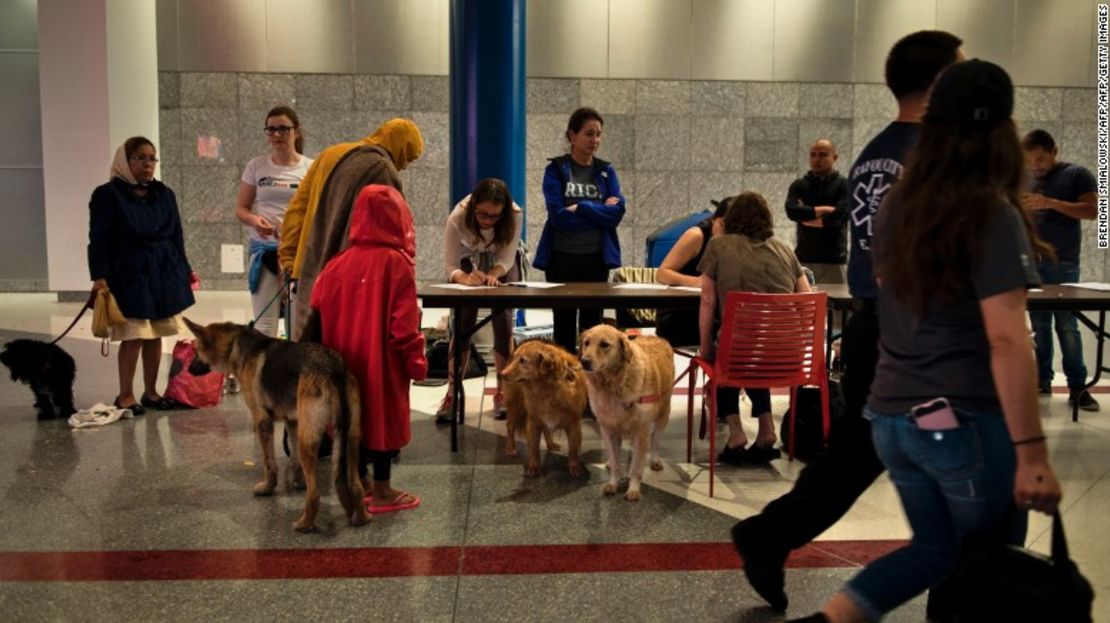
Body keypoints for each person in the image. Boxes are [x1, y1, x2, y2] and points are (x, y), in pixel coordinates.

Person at [792, 59, 1063, 623]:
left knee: (936, 552)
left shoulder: (897, 206)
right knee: (987, 564)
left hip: (896, 416)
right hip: (961, 417)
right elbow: (1010, 341)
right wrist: (1033, 454)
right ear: (1000, 131)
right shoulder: (990, 213)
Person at [731, 31, 964, 613]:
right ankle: (946, 597)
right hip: (912, 341)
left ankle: (770, 534)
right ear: (939, 83)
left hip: (875, 332)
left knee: (859, 452)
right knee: (954, 465)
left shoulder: (873, 155)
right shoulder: (931, 157)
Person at [310, 184, 428, 514]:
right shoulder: (397, 264)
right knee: (382, 421)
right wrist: (417, 363)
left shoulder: (337, 263)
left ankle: (357, 482)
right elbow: (403, 329)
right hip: (383, 365)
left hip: (342, 364)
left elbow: (316, 305)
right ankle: (382, 490)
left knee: (353, 421)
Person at [282, 118, 424, 340]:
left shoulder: (333, 154)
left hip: (309, 265)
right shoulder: (381, 169)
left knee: (306, 349)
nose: (404, 165)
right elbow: (394, 229)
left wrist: (289, 260)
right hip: (353, 279)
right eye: (408, 157)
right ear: (401, 145)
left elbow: (296, 209)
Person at [698, 192, 810, 465]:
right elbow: (807, 302)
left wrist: (705, 348)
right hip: (788, 356)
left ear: (731, 219)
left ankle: (736, 433)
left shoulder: (718, 246)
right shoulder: (785, 249)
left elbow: (708, 301)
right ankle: (767, 430)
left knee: (729, 347)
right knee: (752, 347)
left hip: (741, 352)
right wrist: (799, 341)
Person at [88, 136, 195, 415]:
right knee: (133, 334)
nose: (148, 164)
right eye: (140, 158)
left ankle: (151, 392)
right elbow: (98, 239)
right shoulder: (107, 194)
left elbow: (176, 235)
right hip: (128, 271)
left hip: (163, 269)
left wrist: (183, 269)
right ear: (126, 160)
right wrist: (99, 276)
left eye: (152, 158)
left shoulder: (164, 193)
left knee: (156, 333)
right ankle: (125, 395)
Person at [533, 107, 626, 354]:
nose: (595, 141)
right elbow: (559, 217)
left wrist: (582, 207)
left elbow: (616, 214)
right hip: (561, 258)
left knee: (592, 326)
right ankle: (565, 383)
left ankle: (590, 386)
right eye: (588, 134)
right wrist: (598, 212)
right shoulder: (555, 170)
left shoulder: (607, 171)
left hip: (596, 259)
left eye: (598, 135)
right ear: (572, 136)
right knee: (563, 323)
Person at [1021, 129, 1099, 411]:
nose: (1036, 166)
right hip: (1034, 265)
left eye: (1041, 159)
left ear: (1054, 151)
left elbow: (1093, 212)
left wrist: (1051, 203)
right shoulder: (1027, 180)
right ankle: (1042, 379)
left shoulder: (1077, 174)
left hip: (1064, 264)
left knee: (1067, 326)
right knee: (1039, 326)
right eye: (1030, 161)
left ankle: (1078, 387)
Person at [435, 178, 523, 423]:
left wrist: (494, 274)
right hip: (467, 256)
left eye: (493, 217)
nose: (486, 221)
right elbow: (450, 265)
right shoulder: (458, 217)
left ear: (503, 213)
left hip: (500, 259)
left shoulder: (514, 214)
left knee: (504, 317)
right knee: (463, 320)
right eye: (482, 214)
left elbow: (506, 258)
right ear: (474, 206)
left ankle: (503, 391)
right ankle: (453, 393)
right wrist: (465, 278)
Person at [235, 106, 312, 338]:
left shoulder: (310, 167)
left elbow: (317, 212)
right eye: (271, 130)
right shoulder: (256, 166)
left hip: (298, 255)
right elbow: (241, 209)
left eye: (283, 129)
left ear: (296, 132)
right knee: (264, 327)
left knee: (295, 326)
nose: (277, 135)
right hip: (264, 252)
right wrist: (254, 220)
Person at [654, 198, 728, 346]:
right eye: (723, 225)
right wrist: (695, 282)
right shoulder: (696, 235)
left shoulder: (732, 240)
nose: (725, 232)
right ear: (714, 219)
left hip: (709, 311)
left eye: (731, 229)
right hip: (681, 313)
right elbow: (662, 273)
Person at [784, 139, 850, 284]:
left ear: (834, 157)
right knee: (805, 304)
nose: (816, 159)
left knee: (836, 304)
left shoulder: (844, 185)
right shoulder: (799, 185)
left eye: (822, 155)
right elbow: (792, 211)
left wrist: (806, 217)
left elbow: (840, 215)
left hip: (834, 259)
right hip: (805, 257)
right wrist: (824, 209)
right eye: (813, 155)